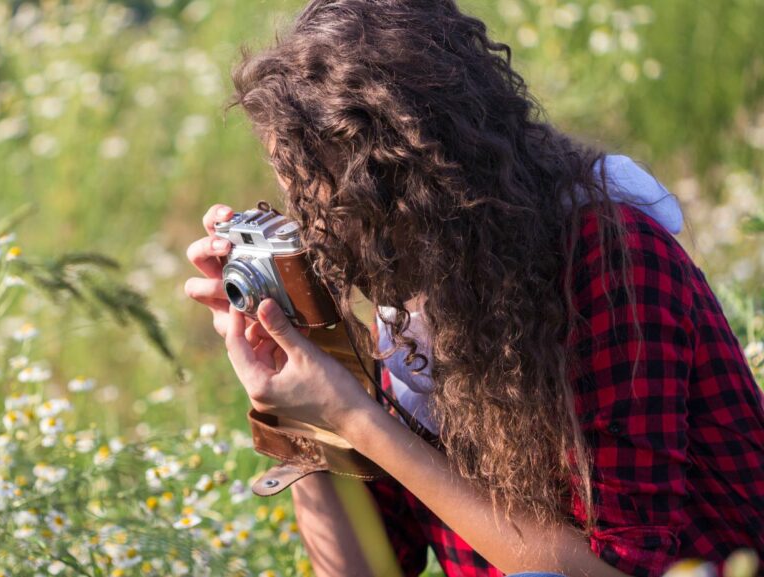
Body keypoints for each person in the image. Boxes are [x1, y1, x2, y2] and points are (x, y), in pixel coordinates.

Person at [183, 1, 764, 576]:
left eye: (331, 197)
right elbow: (367, 568)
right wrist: (299, 395)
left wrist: (358, 417)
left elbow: (613, 572)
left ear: (417, 180)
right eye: (298, 199)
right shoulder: (409, 311)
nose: (316, 231)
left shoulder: (607, 263)